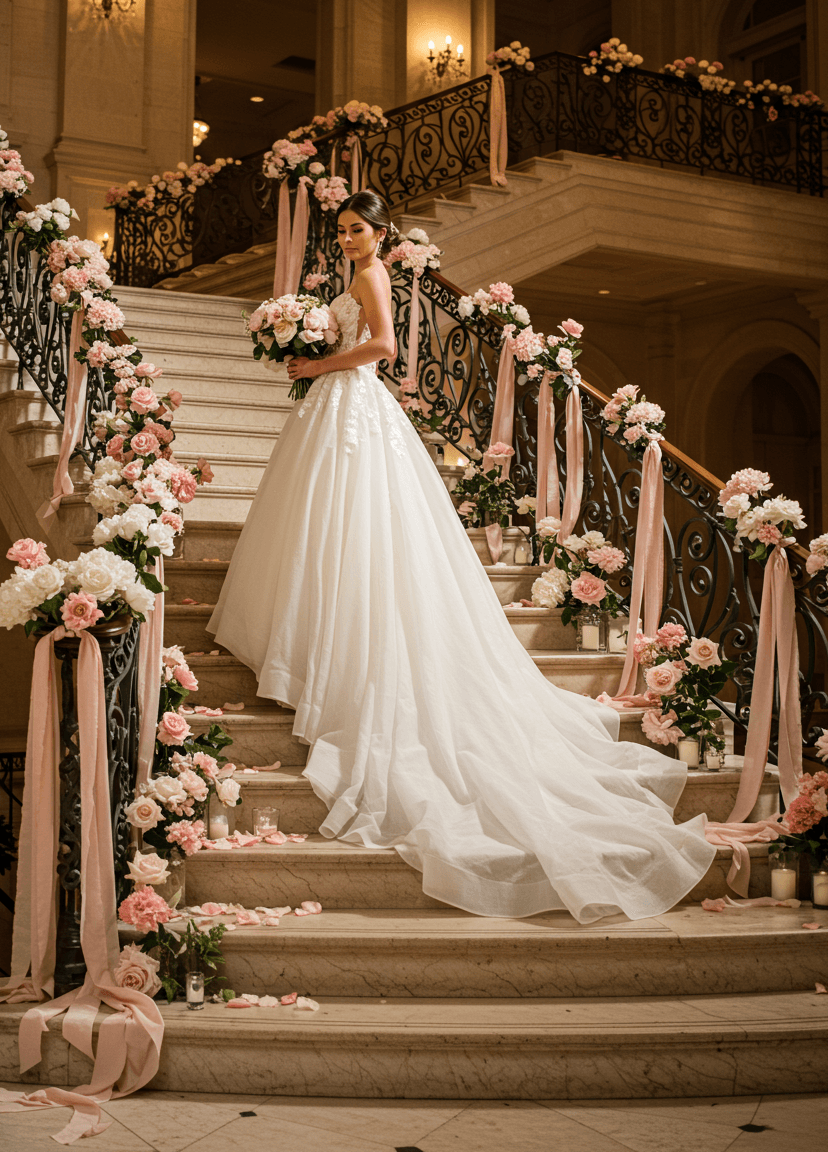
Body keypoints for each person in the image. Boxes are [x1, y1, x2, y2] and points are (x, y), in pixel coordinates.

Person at [207, 190, 715, 922]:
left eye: (360, 230)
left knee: (358, 525)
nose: (350, 239)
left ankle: (336, 653)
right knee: (328, 526)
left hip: (353, 402)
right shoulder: (349, 280)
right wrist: (305, 346)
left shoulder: (373, 276)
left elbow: (384, 350)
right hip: (338, 405)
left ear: (381, 234)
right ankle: (316, 639)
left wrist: (313, 366)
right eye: (344, 230)